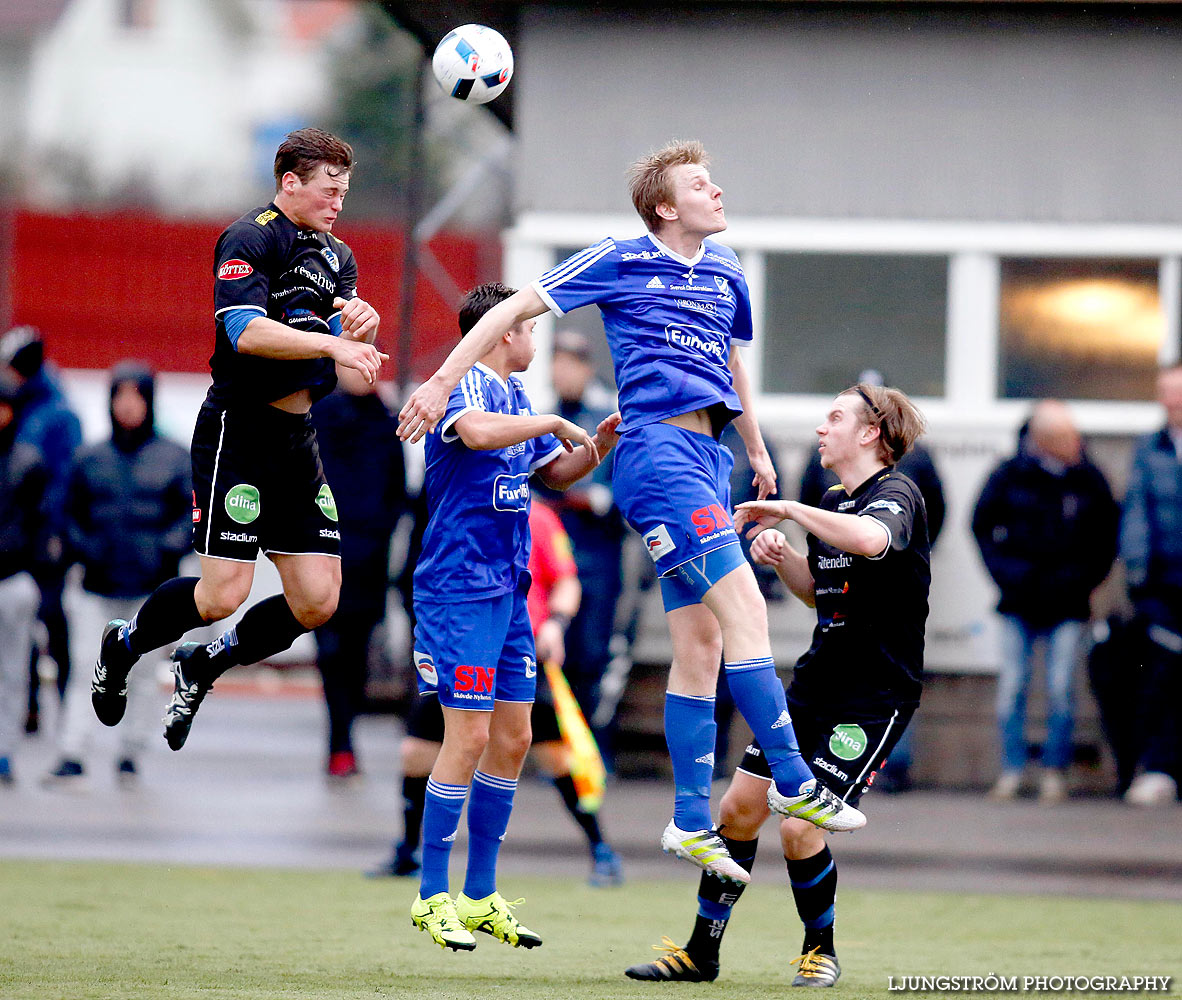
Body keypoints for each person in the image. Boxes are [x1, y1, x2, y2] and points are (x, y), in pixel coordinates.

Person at [398, 140, 865, 885]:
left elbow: (730, 360)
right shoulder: (619, 255)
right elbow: (518, 305)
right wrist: (440, 380)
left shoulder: (725, 269)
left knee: (704, 641)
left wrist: (756, 443)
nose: (717, 191)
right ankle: (794, 779)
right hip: (658, 456)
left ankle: (687, 817)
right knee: (745, 605)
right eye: (699, 183)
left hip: (712, 459)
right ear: (664, 207)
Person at [625, 382, 931, 988]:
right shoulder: (835, 500)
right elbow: (821, 594)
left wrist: (789, 511)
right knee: (737, 809)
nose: (823, 427)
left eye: (835, 417)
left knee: (799, 825)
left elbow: (872, 541)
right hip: (817, 682)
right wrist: (785, 557)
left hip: (874, 698)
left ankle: (821, 950)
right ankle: (699, 953)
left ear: (870, 433)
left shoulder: (896, 494)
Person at [89, 128, 385, 751]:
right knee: (224, 592)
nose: (338, 202)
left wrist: (361, 323)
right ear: (290, 183)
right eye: (329, 189)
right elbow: (245, 331)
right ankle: (128, 644)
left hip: (296, 440)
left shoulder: (338, 256)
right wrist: (333, 341)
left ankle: (204, 664)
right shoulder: (250, 237)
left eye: (345, 191)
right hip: (238, 432)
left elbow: (341, 321)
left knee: (317, 602)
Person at [406, 281, 617, 952]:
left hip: (508, 591)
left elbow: (554, 475)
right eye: (529, 329)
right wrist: (554, 422)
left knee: (516, 737)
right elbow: (473, 433)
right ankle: (430, 896)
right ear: (505, 332)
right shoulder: (465, 384)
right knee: (464, 740)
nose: (535, 339)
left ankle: (480, 895)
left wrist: (598, 446)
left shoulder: (518, 396)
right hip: (458, 588)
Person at [370, 498, 624, 887]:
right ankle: (410, 851)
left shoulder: (538, 517)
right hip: (458, 650)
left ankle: (601, 850)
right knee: (417, 752)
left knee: (553, 756)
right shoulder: (454, 512)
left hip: (516, 654)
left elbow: (567, 580)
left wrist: (555, 624)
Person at [45, 364, 192, 785]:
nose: (127, 406)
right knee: (85, 667)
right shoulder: (90, 458)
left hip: (151, 590)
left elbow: (190, 517)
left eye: (135, 396)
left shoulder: (174, 458)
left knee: (143, 676)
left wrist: (165, 549)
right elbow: (67, 513)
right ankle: (73, 750)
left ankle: (131, 752)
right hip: (96, 584)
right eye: (120, 396)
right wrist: (84, 548)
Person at [972, 401, 1119, 803]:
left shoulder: (1089, 479)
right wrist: (1006, 574)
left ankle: (1054, 770)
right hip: (1018, 598)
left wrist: (1083, 581)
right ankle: (1012, 769)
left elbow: (1107, 537)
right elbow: (981, 525)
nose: (1074, 444)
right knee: (1013, 686)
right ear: (1042, 442)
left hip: (1068, 602)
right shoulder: (1009, 475)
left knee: (1060, 688)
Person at [310, 366, 407, 779]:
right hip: (321, 552)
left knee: (357, 654)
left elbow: (398, 491)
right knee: (330, 651)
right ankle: (339, 740)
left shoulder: (385, 423)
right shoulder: (318, 418)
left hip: (367, 561)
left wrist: (380, 535)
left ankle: (344, 736)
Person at [534, 331, 627, 730]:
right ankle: (553, 744)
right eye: (557, 362)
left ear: (587, 368)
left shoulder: (608, 420)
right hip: (549, 560)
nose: (563, 371)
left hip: (597, 555)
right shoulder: (541, 419)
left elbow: (628, 489)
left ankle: (591, 748)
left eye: (572, 362)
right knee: (552, 650)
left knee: (593, 652)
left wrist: (597, 498)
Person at [1, 325, 82, 734]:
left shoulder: (59, 414)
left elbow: (66, 478)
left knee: (52, 618)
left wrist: (56, 532)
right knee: (20, 623)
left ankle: (67, 701)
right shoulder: (19, 405)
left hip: (47, 536)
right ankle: (30, 705)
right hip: (17, 535)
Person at [1119, 363, 1182, 806]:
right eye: (1163, 391)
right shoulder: (1151, 447)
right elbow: (1137, 512)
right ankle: (1159, 769)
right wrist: (1139, 575)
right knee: (1162, 680)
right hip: (1166, 587)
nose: (1168, 399)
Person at [0, 371, 47, 785]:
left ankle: (4, 751)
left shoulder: (28, 460)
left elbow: (37, 524)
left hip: (13, 579)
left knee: (13, 670)